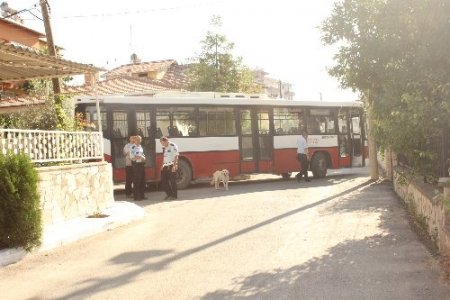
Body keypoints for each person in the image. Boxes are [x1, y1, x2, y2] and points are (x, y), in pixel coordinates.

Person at [160, 136, 179, 200]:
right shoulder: (164, 147)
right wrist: (162, 165)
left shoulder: (173, 145)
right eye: (161, 144)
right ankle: (169, 194)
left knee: (172, 181)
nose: (162, 145)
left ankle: (174, 195)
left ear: (166, 141)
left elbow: (176, 155)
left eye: (163, 143)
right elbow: (164, 157)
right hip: (165, 165)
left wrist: (174, 165)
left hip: (171, 165)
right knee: (163, 180)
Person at [130, 135, 147, 200]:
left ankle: (142, 195)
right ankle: (136, 197)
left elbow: (142, 154)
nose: (139, 141)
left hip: (141, 164)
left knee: (142, 180)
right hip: (136, 165)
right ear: (135, 140)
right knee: (137, 181)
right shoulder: (132, 147)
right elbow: (132, 157)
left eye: (140, 140)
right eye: (137, 139)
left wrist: (144, 157)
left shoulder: (140, 146)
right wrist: (140, 157)